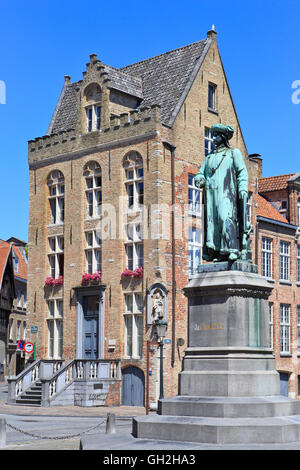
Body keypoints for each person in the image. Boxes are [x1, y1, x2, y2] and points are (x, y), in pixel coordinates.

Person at [194, 123, 249, 262]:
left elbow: (242, 172)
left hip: (226, 193)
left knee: (226, 218)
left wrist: (243, 189)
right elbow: (201, 173)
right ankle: (218, 253)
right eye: (213, 136)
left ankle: (232, 249)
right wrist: (199, 179)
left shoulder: (233, 153)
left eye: (217, 136)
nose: (214, 139)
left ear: (223, 137)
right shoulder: (209, 157)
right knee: (213, 223)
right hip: (211, 194)